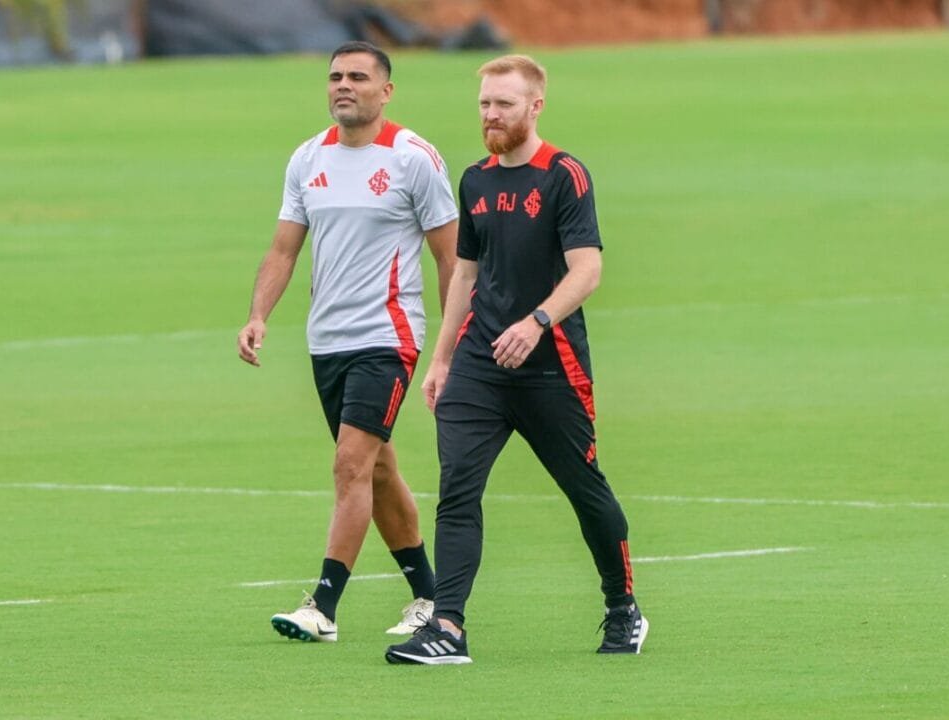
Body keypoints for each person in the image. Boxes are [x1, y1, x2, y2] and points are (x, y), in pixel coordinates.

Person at [384, 55, 648, 664]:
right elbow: (465, 275)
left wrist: (537, 322)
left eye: (504, 104)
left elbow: (588, 269)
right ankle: (448, 628)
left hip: (550, 363)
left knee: (585, 491)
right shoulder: (475, 180)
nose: (491, 115)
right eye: (484, 104)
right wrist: (443, 359)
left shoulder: (564, 176)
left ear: (535, 106)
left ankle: (622, 607)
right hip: (479, 362)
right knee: (457, 489)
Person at [238, 41, 458, 642]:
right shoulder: (308, 157)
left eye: (358, 77)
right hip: (326, 341)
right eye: (335, 76)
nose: (344, 85)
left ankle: (324, 606)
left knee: (350, 464)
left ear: (385, 91)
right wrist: (259, 315)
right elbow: (285, 248)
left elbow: (451, 258)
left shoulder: (415, 159)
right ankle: (429, 598)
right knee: (379, 471)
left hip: (388, 337)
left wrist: (450, 344)